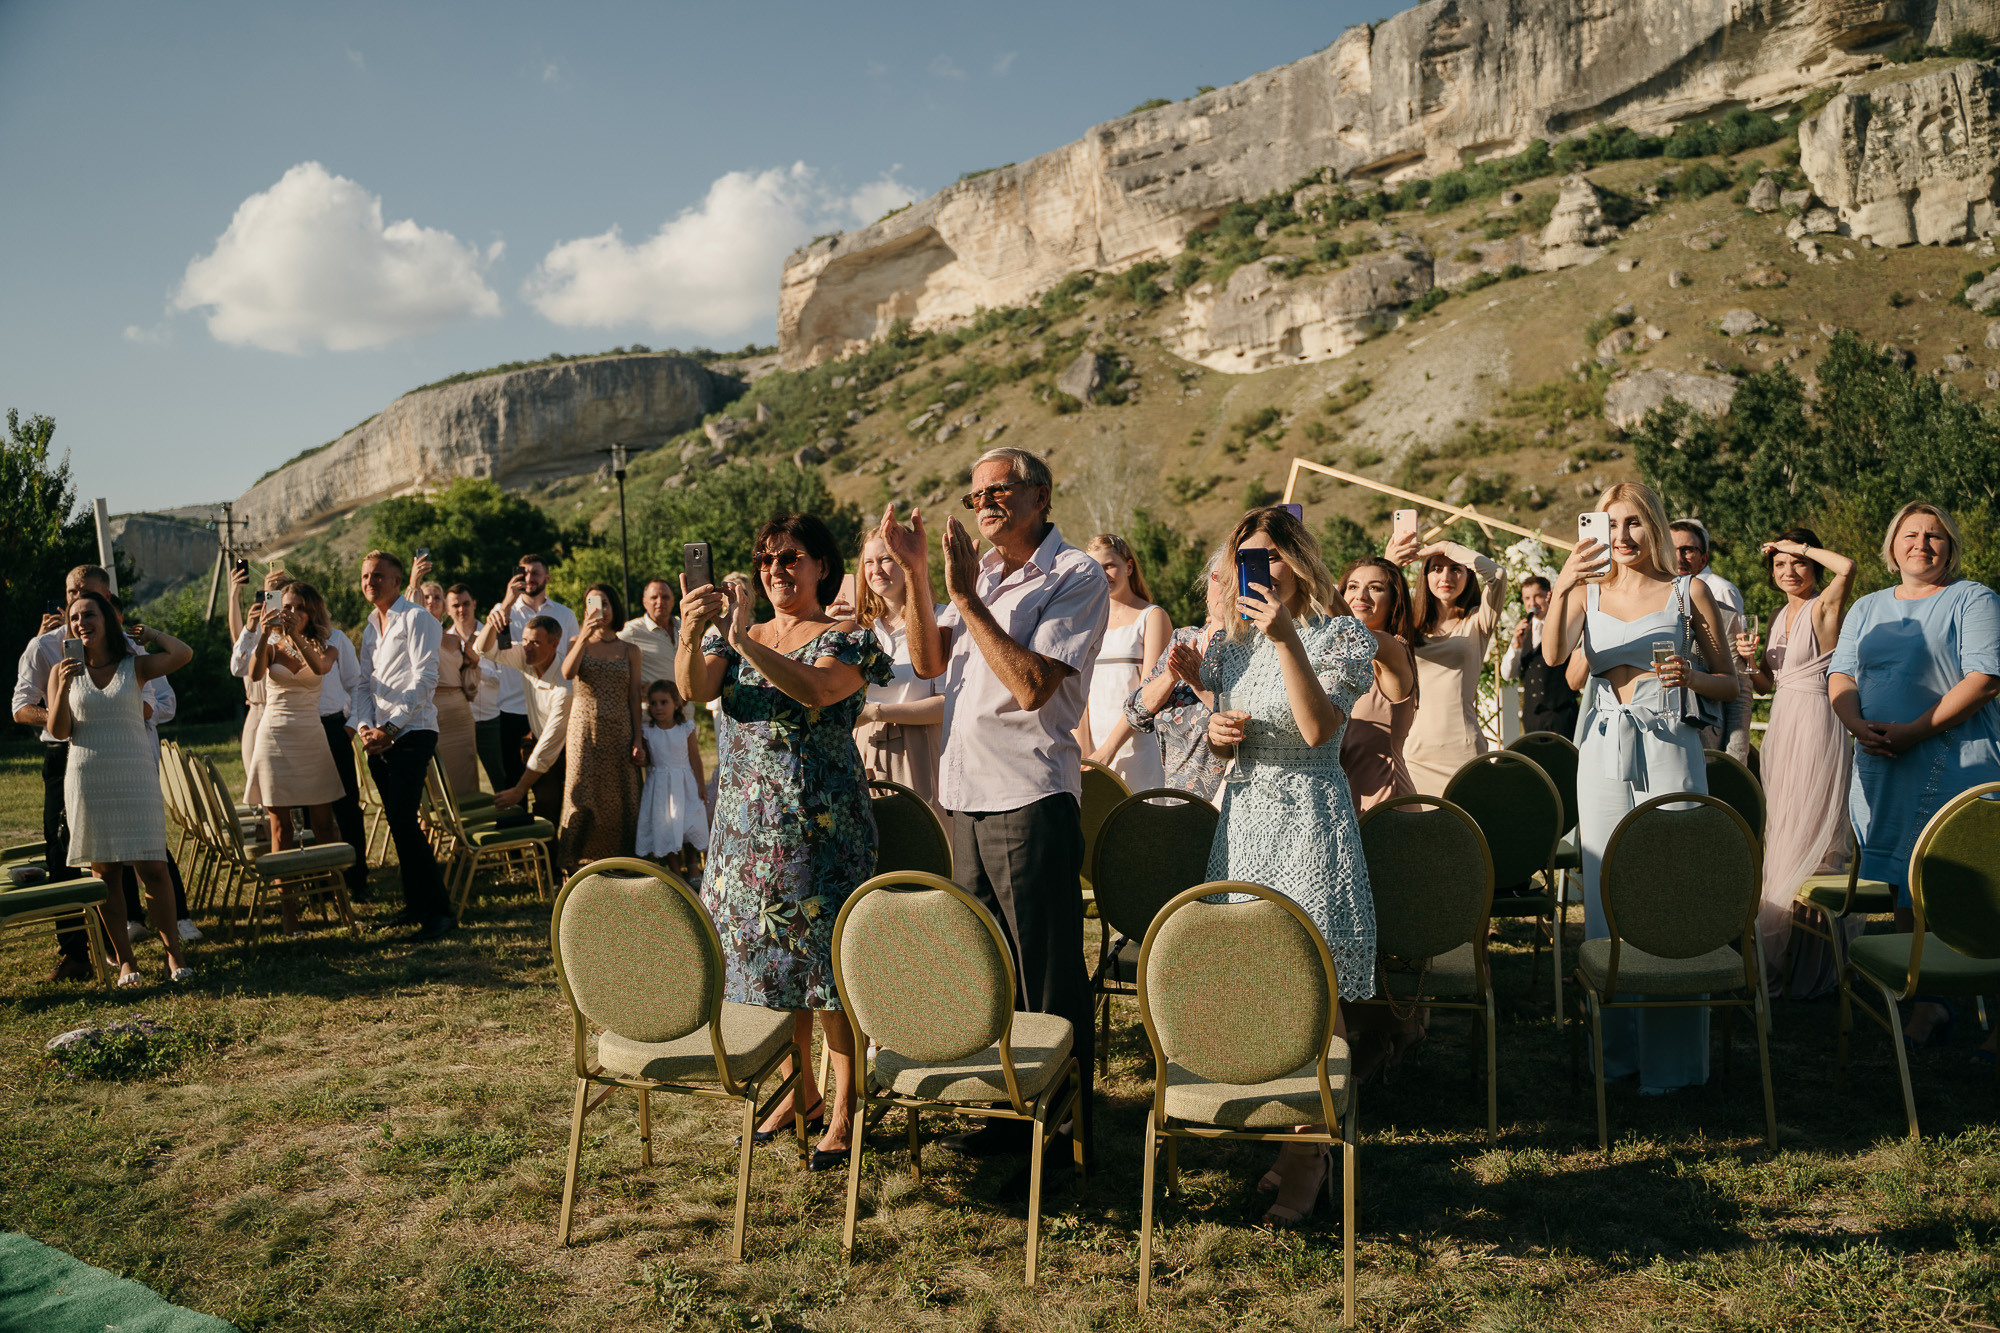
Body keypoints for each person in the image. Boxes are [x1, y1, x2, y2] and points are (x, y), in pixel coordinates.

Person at [878, 445, 1110, 1175]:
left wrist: (969, 599)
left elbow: (1035, 684)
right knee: (992, 970)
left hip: (1029, 793)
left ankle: (1064, 1135)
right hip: (965, 793)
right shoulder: (984, 574)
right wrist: (920, 576)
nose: (984, 502)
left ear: (1040, 495)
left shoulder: (1074, 575)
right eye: (976, 492)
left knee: (1047, 975)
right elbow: (925, 661)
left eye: (1000, 490)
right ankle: (1008, 1114)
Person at [678, 511, 891, 1173]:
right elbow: (694, 690)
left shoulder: (847, 636)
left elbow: (818, 691)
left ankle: (845, 1102)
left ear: (822, 566)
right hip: (745, 832)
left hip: (818, 831)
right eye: (767, 559)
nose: (776, 570)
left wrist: (742, 639)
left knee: (827, 971)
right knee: (779, 969)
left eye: (790, 557)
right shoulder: (739, 636)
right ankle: (800, 1085)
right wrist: (692, 632)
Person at [1200, 507, 1378, 1223]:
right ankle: (1289, 1136)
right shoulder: (1230, 648)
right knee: (1261, 982)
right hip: (1245, 817)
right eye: (1244, 556)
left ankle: (1313, 1154)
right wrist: (1217, 734)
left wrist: (1283, 640)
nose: (1256, 570)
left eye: (1268, 555)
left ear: (1299, 561)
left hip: (1308, 816)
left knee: (1314, 981)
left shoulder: (1340, 636)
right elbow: (1228, 741)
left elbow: (1315, 728)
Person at [1543, 482, 1737, 1092]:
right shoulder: (1588, 591)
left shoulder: (1689, 590)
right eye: (1610, 524)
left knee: (1671, 886)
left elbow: (1731, 684)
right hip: (1601, 750)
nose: (1621, 537)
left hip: (1672, 748)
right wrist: (1565, 583)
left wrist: (1694, 677)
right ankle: (1617, 1054)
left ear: (1652, 526)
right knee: (1604, 891)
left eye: (1633, 523)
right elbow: (1552, 656)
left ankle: (1673, 1066)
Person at [1829, 502, 2000, 1049]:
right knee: (1906, 882)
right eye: (1910, 534)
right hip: (1883, 762)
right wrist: (1856, 723)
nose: (1921, 544)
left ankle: (1984, 998)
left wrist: (1913, 731)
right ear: (1892, 544)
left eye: (1934, 535)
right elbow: (1841, 672)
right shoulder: (1867, 606)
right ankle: (1926, 1001)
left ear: (1950, 546)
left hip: (1955, 759)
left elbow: (1986, 678)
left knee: (1967, 880)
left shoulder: (1973, 598)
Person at [12, 566, 191, 981]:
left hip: (134, 773)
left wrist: (149, 635)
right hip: (88, 778)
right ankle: (125, 960)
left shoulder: (134, 660)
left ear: (108, 613)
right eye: (74, 615)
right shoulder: (59, 664)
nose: (80, 623)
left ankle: (174, 957)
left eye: (89, 613)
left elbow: (182, 656)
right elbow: (58, 730)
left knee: (154, 869)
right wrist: (61, 686)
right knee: (104, 872)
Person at [1732, 530, 1859, 997]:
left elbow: (1848, 566)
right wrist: (1750, 665)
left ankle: (1812, 964)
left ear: (1812, 566)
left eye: (1798, 563)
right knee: (1783, 830)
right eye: (1780, 564)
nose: (1789, 571)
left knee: (1813, 837)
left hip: (1817, 723)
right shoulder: (1779, 614)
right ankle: (1787, 952)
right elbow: (1770, 684)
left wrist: (1796, 544)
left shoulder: (1823, 607)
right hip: (1784, 724)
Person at [352, 550, 454, 941]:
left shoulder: (418, 619)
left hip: (412, 731)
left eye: (378, 576)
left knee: (403, 819)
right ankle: (417, 905)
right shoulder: (370, 626)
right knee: (399, 823)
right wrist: (365, 726)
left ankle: (440, 912)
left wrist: (392, 727)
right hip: (378, 735)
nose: (370, 582)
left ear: (398, 581)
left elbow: (425, 679)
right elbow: (363, 683)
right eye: (365, 576)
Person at [246, 582, 349, 932]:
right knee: (281, 828)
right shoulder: (272, 646)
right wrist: (264, 635)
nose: (290, 613)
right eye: (286, 606)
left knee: (323, 825)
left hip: (311, 737)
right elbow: (255, 674)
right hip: (274, 737)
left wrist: (296, 637)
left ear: (311, 613)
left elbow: (319, 668)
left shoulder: (328, 645)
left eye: (299, 608)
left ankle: (340, 905)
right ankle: (289, 916)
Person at [1392, 532, 1504, 794]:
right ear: (1425, 576)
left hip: (1464, 752)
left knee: (1467, 831)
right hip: (1416, 752)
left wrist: (1446, 548)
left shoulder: (1478, 621)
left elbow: (1498, 575)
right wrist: (1393, 564)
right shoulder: (1407, 626)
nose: (1446, 577)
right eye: (1437, 568)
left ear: (1468, 575)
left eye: (1456, 569)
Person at [851, 531, 946, 813]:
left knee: (924, 847)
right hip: (864, 751)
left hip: (921, 749)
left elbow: (947, 704)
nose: (876, 570)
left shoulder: (942, 619)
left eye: (885, 559)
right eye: (869, 562)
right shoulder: (859, 629)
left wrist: (876, 712)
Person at [1126, 553, 1229, 803]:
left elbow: (1244, 723)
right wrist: (1170, 675)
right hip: (1174, 800)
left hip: (1226, 801)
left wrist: (1197, 682)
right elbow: (1135, 715)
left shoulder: (1253, 648)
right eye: (1218, 578)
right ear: (1206, 592)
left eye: (1234, 580)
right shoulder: (1183, 638)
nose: (1225, 587)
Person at [558, 583, 644, 868]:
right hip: (584, 729)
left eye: (605, 603)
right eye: (594, 603)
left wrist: (638, 739)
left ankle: (620, 861)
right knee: (582, 790)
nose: (601, 609)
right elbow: (567, 672)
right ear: (586, 609)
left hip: (619, 728)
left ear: (614, 607)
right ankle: (574, 862)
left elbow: (634, 696)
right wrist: (583, 635)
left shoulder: (630, 649)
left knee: (621, 795)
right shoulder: (576, 643)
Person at [1078, 534, 1171, 791]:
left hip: (1139, 750)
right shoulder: (1086, 622)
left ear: (1128, 567)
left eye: (1109, 565)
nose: (1103, 574)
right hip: (1092, 753)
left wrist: (1109, 750)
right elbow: (1078, 693)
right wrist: (1086, 754)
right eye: (1095, 568)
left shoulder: (1152, 617)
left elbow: (1149, 695)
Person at [1337, 556, 1421, 812]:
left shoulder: (1394, 650)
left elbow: (1357, 635)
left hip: (1387, 810)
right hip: (1340, 808)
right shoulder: (1333, 663)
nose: (1361, 595)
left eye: (1375, 588)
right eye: (1352, 587)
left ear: (1394, 601)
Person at [474, 612, 572, 816]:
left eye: (535, 642)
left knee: (559, 809)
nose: (526, 646)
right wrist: (494, 620)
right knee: (546, 805)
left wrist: (519, 790)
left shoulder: (564, 687)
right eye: (525, 640)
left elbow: (548, 746)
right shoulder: (526, 656)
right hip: (541, 744)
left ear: (554, 645)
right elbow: (482, 650)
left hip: (566, 751)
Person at [1671, 519, 1753, 764]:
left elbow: (1739, 693)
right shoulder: (1637, 611)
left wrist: (1734, 759)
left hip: (1705, 743)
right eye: (1670, 548)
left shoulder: (1724, 615)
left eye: (1687, 550)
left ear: (1703, 559)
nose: (1678, 558)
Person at [495, 554, 577, 793]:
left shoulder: (565, 614)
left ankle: (548, 828)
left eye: (535, 573)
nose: (529, 578)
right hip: (512, 707)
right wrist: (507, 602)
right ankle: (519, 828)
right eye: (524, 573)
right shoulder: (503, 610)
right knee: (512, 779)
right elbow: (497, 650)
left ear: (547, 578)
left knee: (549, 786)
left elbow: (572, 659)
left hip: (552, 708)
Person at [636, 680, 708, 872]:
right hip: (660, 787)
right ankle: (675, 871)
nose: (658, 707)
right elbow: (648, 760)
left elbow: (695, 758)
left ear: (676, 704)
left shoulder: (685, 728)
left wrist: (701, 785)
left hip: (684, 784)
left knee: (688, 824)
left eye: (663, 702)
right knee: (666, 826)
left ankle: (692, 866)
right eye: (653, 703)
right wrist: (641, 757)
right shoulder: (648, 732)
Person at [1501, 574, 1579, 739]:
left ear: (1548, 596)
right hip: (1532, 717)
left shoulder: (1566, 624)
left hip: (1562, 715)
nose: (1532, 603)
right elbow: (1508, 674)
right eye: (1527, 598)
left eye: (1537, 597)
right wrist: (1516, 645)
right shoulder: (1522, 631)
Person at [448, 584, 509, 795]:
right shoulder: (444, 641)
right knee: (459, 784)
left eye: (466, 603)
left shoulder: (496, 632)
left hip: (491, 719)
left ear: (474, 604)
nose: (461, 610)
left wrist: (477, 670)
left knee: (502, 779)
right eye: (455, 605)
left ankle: (508, 823)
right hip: (457, 722)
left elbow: (508, 677)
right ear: (448, 610)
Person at [432, 611, 483, 798]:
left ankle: (469, 822)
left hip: (460, 712)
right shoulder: (414, 638)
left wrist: (474, 663)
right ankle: (437, 823)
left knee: (465, 770)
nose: (431, 601)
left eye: (437, 597)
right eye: (426, 597)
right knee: (436, 776)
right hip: (432, 710)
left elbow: (467, 683)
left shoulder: (454, 640)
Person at [617, 578, 680, 694]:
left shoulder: (682, 626)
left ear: (673, 601)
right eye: (654, 597)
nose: (660, 602)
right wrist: (632, 685)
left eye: (665, 597)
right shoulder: (632, 631)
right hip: (652, 710)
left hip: (686, 710)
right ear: (644, 602)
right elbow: (606, 654)